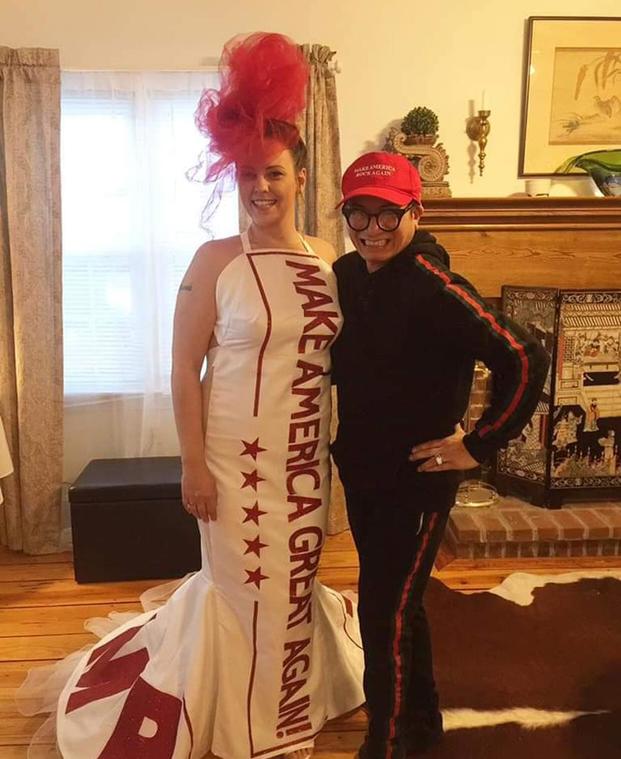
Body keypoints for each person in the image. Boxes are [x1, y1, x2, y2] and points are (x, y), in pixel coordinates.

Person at [19, 33, 363, 759]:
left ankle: (290, 690)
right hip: (231, 462)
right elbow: (183, 369)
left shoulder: (328, 260)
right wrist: (193, 466)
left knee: (293, 586)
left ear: (299, 177)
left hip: (301, 462)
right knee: (245, 588)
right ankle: (249, 721)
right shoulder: (212, 262)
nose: (259, 188)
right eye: (246, 176)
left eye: (272, 173)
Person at [330, 151, 550, 759]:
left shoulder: (437, 287)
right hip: (362, 468)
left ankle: (392, 740)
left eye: (387, 216)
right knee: (397, 605)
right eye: (359, 215)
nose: (372, 230)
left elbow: (526, 357)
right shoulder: (347, 275)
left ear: (414, 211)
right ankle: (420, 731)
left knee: (383, 612)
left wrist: (477, 446)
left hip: (418, 477)